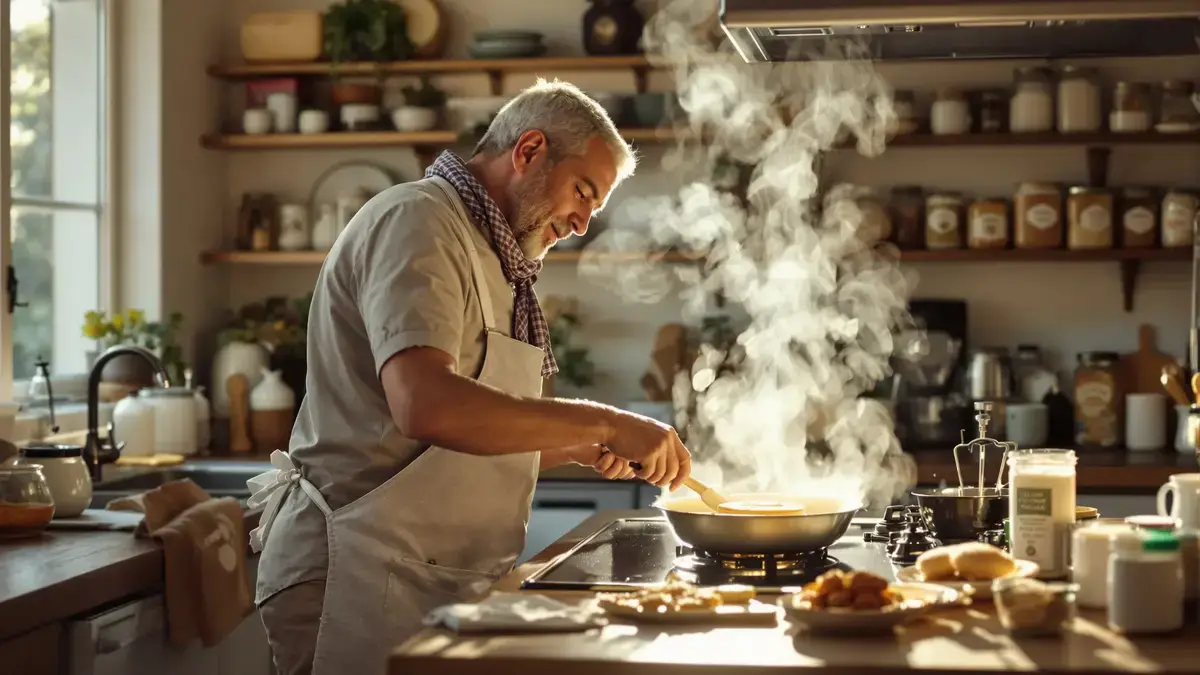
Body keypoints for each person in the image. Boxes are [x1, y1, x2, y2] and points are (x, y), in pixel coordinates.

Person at [247, 79, 693, 675]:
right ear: (529, 151)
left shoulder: (502, 260)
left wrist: (584, 448)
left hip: (432, 579)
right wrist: (607, 423)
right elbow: (427, 406)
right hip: (356, 573)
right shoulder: (418, 221)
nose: (583, 222)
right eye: (583, 192)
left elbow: (467, 436)